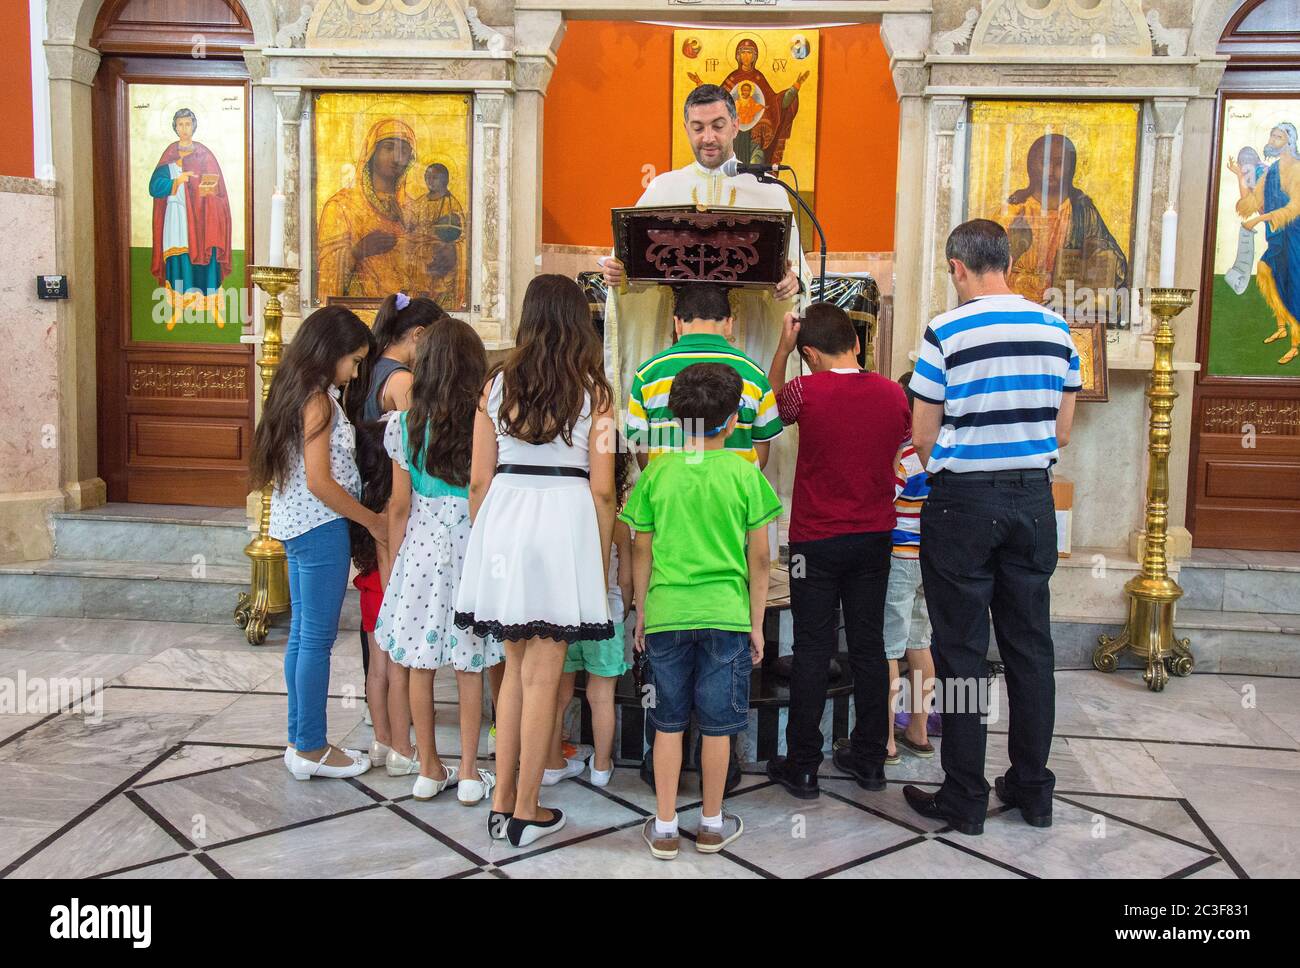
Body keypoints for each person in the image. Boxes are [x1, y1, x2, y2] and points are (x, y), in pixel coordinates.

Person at [903, 218, 1079, 835]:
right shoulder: (1058, 328)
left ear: (957, 267)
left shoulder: (945, 330)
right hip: (1034, 500)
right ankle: (1033, 790)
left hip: (963, 505)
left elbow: (923, 432)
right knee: (1031, 649)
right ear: (1006, 261)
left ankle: (965, 795)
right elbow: (1061, 430)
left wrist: (955, 474)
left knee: (961, 653)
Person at [454, 274, 617, 848]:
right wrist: (597, 564)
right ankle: (524, 810)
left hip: (505, 516)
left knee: (513, 670)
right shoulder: (594, 390)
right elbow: (602, 490)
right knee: (544, 674)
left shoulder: (495, 383)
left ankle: (501, 802)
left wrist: (488, 542)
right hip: (562, 522)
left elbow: (477, 479)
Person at [600, 85, 808, 475]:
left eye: (717, 125)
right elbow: (630, 262)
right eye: (697, 127)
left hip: (744, 338)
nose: (707, 137)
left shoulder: (768, 191)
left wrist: (792, 283)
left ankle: (742, 494)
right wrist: (619, 273)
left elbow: (797, 269)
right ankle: (665, 489)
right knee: (674, 452)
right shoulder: (663, 188)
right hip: (675, 338)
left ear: (735, 125)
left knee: (738, 451)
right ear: (686, 127)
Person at [621, 363, 782, 860]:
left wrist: (641, 612)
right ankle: (711, 824)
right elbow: (760, 558)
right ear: (734, 420)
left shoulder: (658, 473)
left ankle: (665, 826)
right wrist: (756, 623)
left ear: (673, 416)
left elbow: (641, 551)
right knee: (718, 726)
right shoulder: (745, 474)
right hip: (727, 617)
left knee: (667, 724)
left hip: (667, 615)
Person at [761, 306, 910, 801]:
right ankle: (870, 761)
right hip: (873, 537)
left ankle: (803, 766)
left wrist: (780, 350)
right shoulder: (893, 394)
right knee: (868, 649)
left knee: (811, 649)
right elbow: (901, 447)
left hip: (814, 541)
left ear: (810, 354)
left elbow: (768, 413)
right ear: (858, 345)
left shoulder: (807, 389)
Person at [252, 306, 385, 781]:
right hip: (321, 527)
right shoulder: (319, 403)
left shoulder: (302, 392)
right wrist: (373, 522)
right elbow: (320, 482)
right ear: (330, 353)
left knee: (304, 637)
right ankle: (310, 745)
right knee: (317, 641)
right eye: (352, 360)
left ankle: (299, 740)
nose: (354, 372)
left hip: (298, 528)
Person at [376, 315, 504, 804]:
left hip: (422, 552)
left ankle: (428, 767)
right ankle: (471, 773)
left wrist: (393, 565)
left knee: (418, 663)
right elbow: (484, 487)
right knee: (470, 664)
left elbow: (399, 505)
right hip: (472, 547)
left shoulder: (406, 425)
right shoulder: (482, 422)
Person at [361, 293, 448, 778]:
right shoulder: (405, 382)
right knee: (402, 646)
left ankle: (382, 740)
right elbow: (420, 455)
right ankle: (403, 747)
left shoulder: (373, 371)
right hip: (396, 514)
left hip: (373, 503)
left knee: (377, 639)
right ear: (418, 337)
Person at [549, 440, 636, 788]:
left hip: (566, 615)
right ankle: (601, 766)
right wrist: (625, 608)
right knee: (601, 696)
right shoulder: (618, 527)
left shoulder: (565, 517)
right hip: (606, 619)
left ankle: (553, 760)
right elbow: (626, 580)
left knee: (558, 692)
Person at [626, 283, 783, 468]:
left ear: (677, 323)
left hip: (669, 493)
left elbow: (641, 446)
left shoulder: (648, 374)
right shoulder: (754, 375)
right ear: (729, 323)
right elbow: (761, 455)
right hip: (732, 492)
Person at [884, 372, 937, 762]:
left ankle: (885, 740)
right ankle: (918, 730)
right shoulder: (942, 453)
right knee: (920, 644)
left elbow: (885, 498)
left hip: (900, 560)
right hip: (929, 561)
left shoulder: (905, 453)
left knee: (887, 647)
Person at [1231, 122, 1300, 365]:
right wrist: (1240, 178)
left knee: (1292, 286)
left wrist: (1261, 219)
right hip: (1277, 238)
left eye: (1278, 136)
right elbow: (1250, 203)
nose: (1272, 139)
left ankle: (1295, 342)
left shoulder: (1297, 170)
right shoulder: (1270, 172)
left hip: (1294, 238)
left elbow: (1294, 208)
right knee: (1265, 270)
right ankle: (1281, 324)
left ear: (1289, 142)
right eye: (1272, 135)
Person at [348, 419, 393, 768]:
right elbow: (388, 557)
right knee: (398, 673)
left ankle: (380, 740)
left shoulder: (363, 502)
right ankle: (398, 744)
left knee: (376, 673)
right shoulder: (392, 505)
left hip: (369, 593)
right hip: (390, 594)